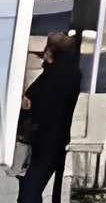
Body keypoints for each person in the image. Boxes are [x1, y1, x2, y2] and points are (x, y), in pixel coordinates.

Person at [16, 31, 83, 203]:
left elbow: (42, 106)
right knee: (29, 188)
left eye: (48, 50)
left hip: (45, 144)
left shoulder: (55, 77)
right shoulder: (68, 74)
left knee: (28, 193)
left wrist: (28, 104)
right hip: (50, 143)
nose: (44, 55)